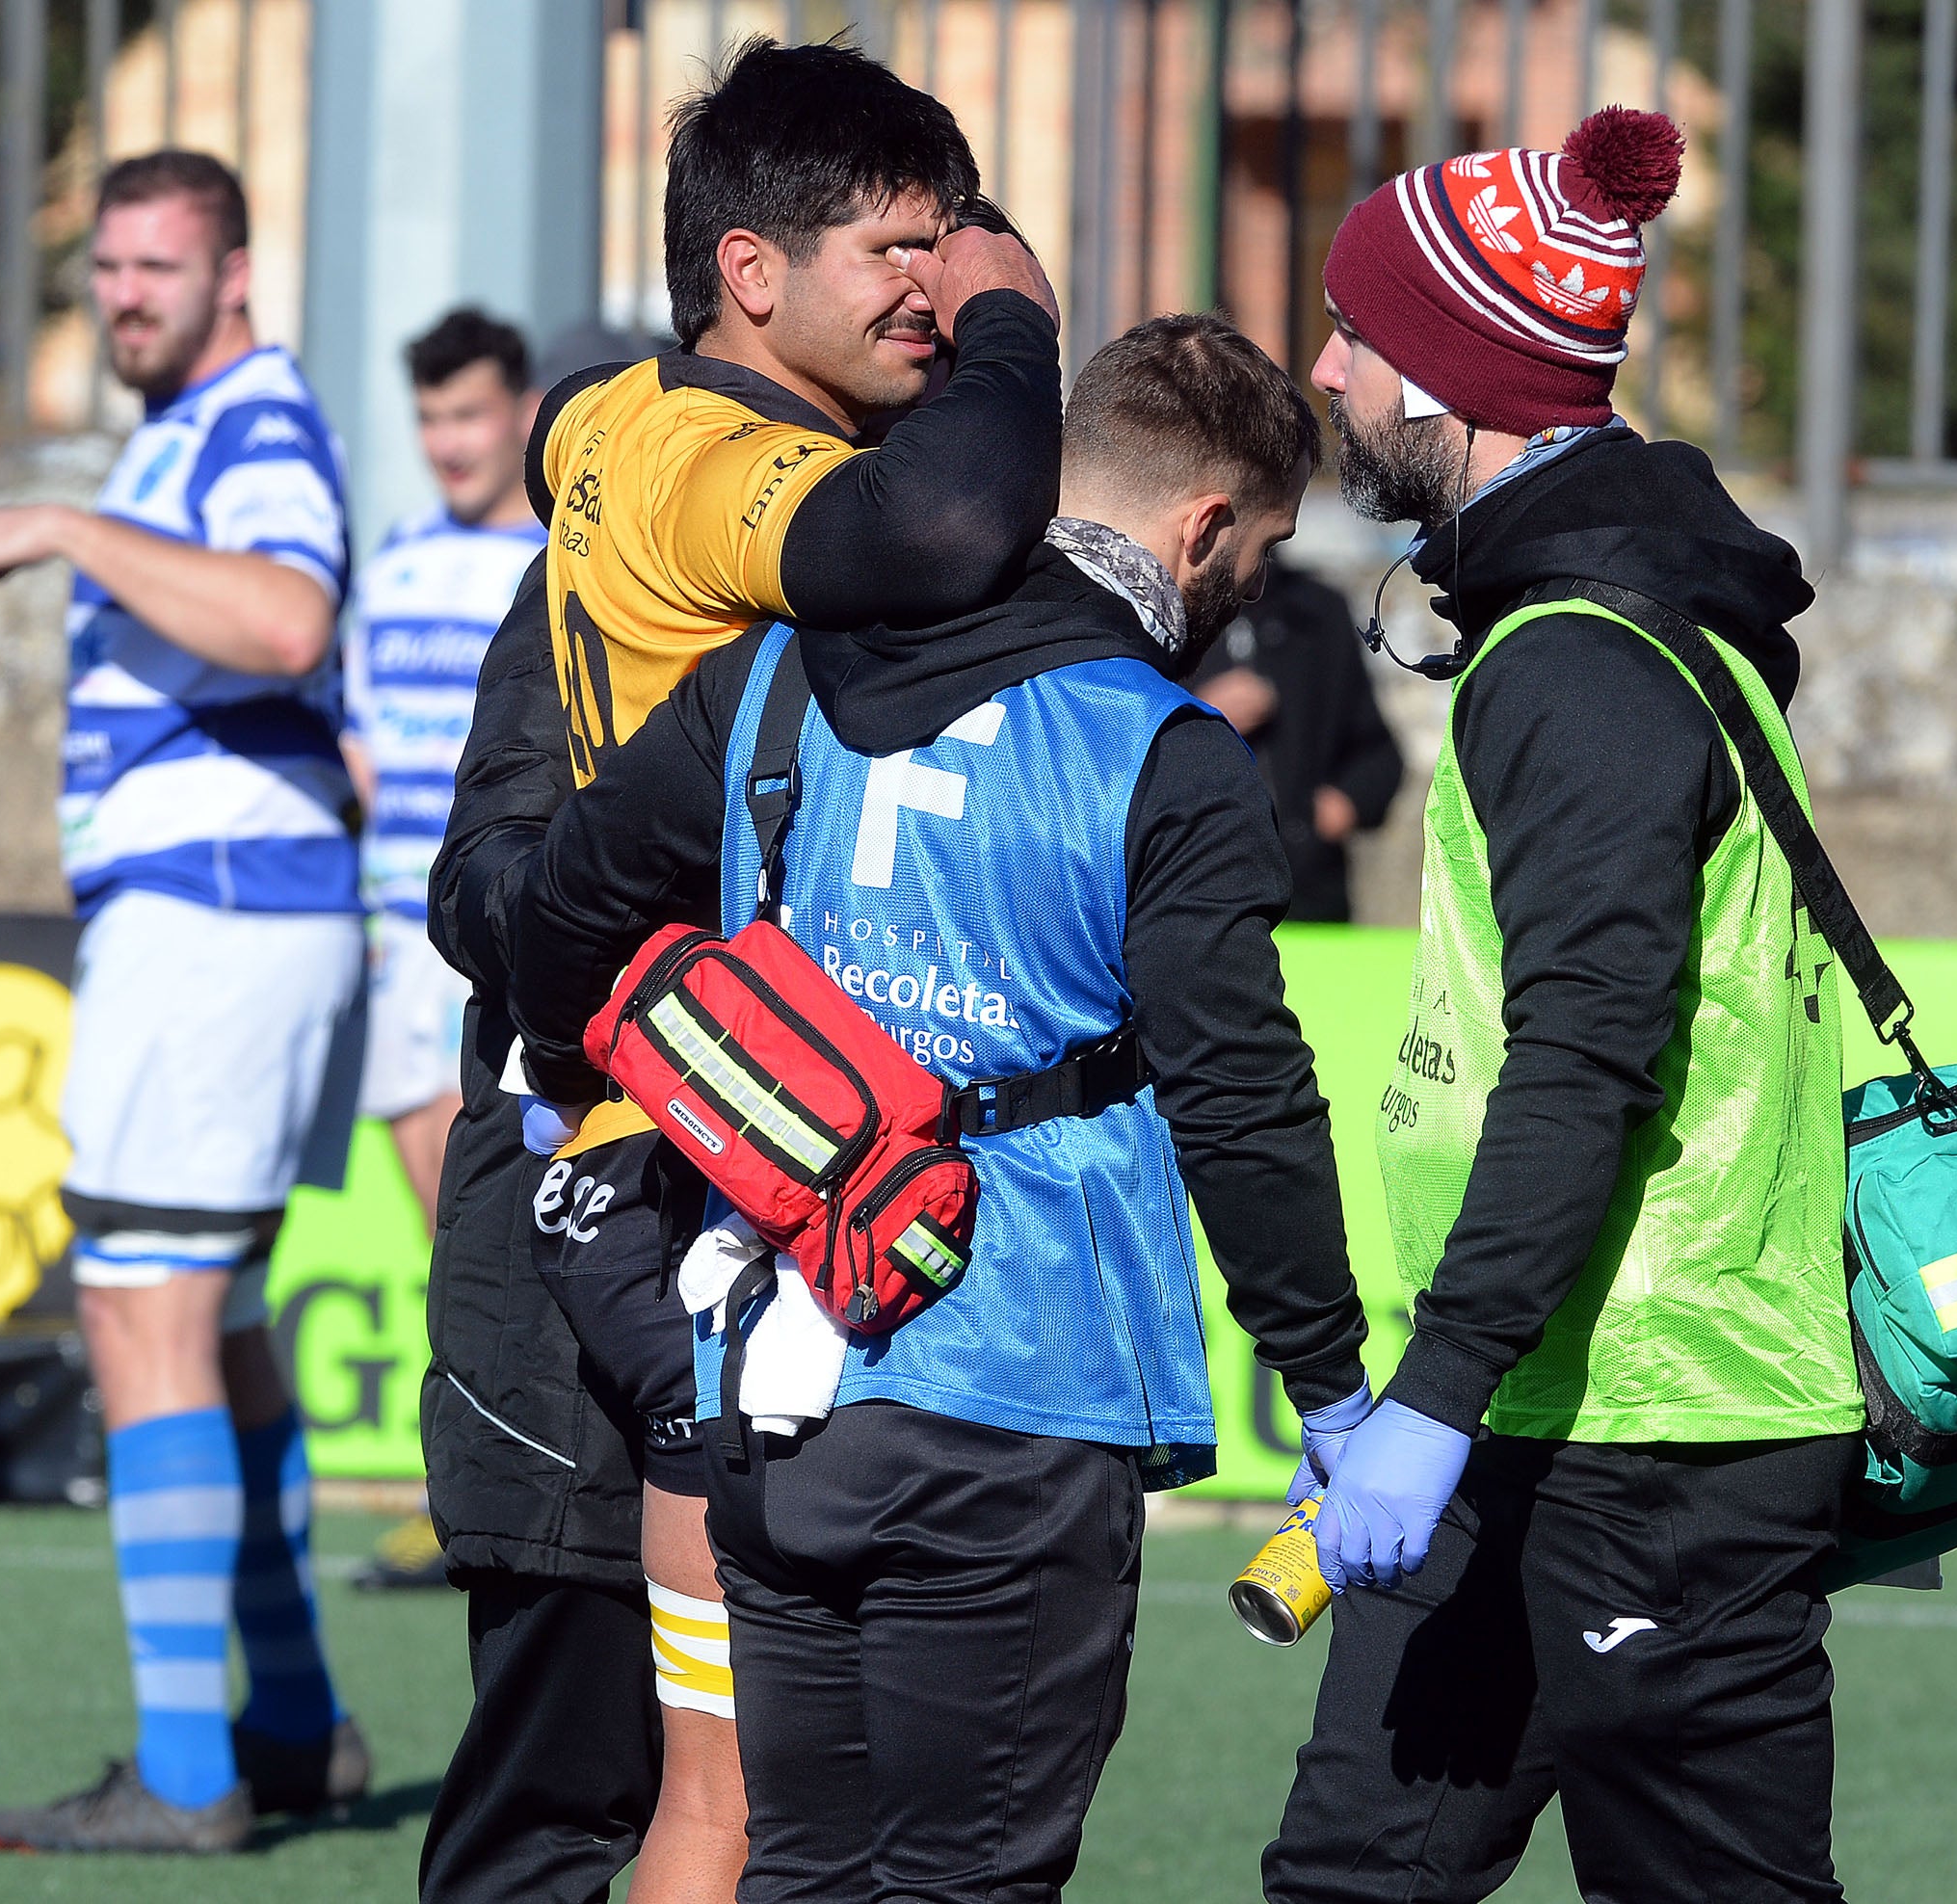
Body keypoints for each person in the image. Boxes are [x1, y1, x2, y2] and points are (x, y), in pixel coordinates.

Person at [508, 312, 1373, 1904]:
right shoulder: (1163, 751)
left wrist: (589, 1087)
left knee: (808, 1874)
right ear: (1198, 531)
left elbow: (553, 912)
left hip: (764, 1372)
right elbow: (1241, 1101)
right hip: (1017, 1385)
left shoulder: (772, 674)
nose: (1243, 594)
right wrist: (1327, 1384)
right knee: (965, 1881)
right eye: (1248, 556)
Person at [416, 39, 1064, 1902]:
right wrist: (1018, 326)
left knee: (744, 1787)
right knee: (580, 1796)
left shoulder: (616, 425)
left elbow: (564, 421)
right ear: (753, 278)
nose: (933, 287)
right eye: (896, 249)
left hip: (724, 1164)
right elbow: (945, 525)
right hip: (616, 1177)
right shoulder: (729, 463)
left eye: (948, 247)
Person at [1263, 108, 1866, 1904]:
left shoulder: (1581, 660)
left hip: (1657, 1429)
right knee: (1351, 1881)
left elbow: (1586, 1053)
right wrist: (1456, 1398)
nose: (1324, 370)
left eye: (1357, 336)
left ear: (1454, 378)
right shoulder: (1576, 625)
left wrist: (1430, 1392)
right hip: (1534, 1402)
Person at [0, 150, 364, 1855]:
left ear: (234, 277)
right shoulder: (195, 430)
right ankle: (286, 1727)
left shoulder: (252, 419)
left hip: (212, 926)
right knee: (221, 1326)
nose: (122, 293)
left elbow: (283, 615)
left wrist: (62, 525)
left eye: (155, 267)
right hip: (229, 919)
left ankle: (188, 1776)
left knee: (143, 1318)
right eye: (105, 267)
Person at [343, 307, 549, 1233]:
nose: (447, 444)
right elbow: (361, 747)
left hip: (496, 928)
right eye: (430, 419)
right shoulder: (396, 562)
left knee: (494, 1216)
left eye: (468, 416)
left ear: (522, 413)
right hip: (395, 927)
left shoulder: (554, 563)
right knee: (442, 1230)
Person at [1185, 561, 1403, 921]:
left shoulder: (1318, 612)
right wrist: (1201, 711)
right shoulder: (1167, 616)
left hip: (1312, 896)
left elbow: (1378, 753)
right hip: (1204, 895)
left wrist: (1345, 802)